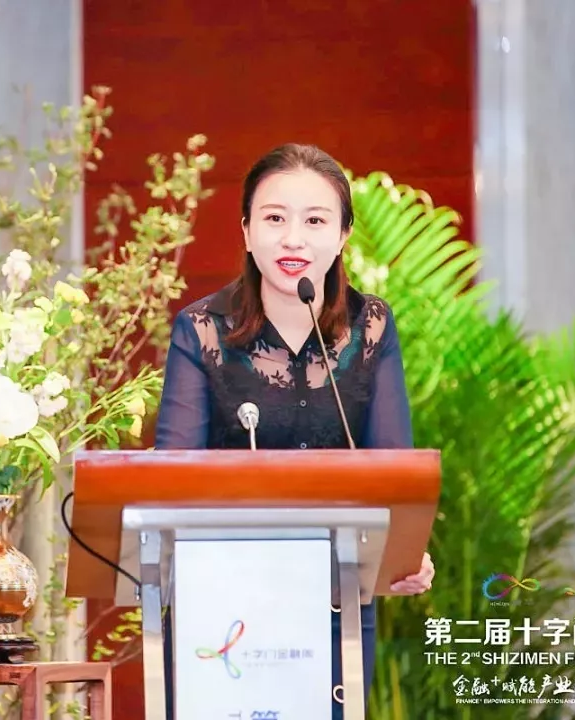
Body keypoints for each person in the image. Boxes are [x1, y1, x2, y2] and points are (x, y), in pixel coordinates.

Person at [153, 143, 435, 718]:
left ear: (343, 234)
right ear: (246, 230)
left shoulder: (371, 327)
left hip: (336, 604)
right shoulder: (201, 330)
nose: (293, 240)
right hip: (223, 609)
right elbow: (169, 483)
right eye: (275, 218)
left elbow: (394, 472)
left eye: (315, 221)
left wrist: (405, 551)